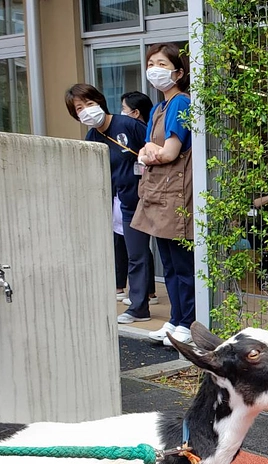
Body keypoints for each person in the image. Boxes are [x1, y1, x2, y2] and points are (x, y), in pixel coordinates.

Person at [65, 83, 149, 322]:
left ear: (100, 101)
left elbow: (153, 150)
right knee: (136, 255)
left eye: (89, 104)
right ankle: (139, 307)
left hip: (150, 199)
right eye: (79, 108)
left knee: (167, 257)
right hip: (125, 205)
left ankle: (181, 314)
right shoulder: (92, 137)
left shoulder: (129, 125)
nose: (86, 111)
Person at [132, 43, 195, 346]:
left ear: (179, 72)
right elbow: (147, 150)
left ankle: (187, 322)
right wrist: (152, 152)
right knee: (168, 264)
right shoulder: (158, 108)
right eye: (151, 63)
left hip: (173, 193)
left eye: (161, 64)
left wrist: (153, 153)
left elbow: (168, 152)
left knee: (182, 265)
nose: (154, 69)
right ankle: (175, 319)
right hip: (159, 193)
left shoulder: (181, 103)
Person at [119, 91, 159, 308]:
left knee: (142, 253)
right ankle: (143, 297)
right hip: (132, 200)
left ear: (135, 113)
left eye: (124, 109)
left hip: (150, 198)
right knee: (139, 252)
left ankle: (146, 295)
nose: (121, 114)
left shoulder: (143, 132)